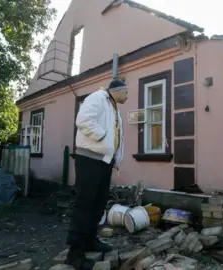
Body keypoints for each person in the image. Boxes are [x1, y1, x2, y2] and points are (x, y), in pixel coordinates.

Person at [65, 78, 127, 269]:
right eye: (126, 91)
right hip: (90, 160)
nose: (127, 95)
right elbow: (83, 120)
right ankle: (74, 253)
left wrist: (115, 157)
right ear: (116, 90)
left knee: (98, 204)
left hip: (104, 162)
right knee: (85, 204)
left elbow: (118, 136)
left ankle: (90, 240)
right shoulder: (98, 98)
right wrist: (103, 138)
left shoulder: (114, 109)